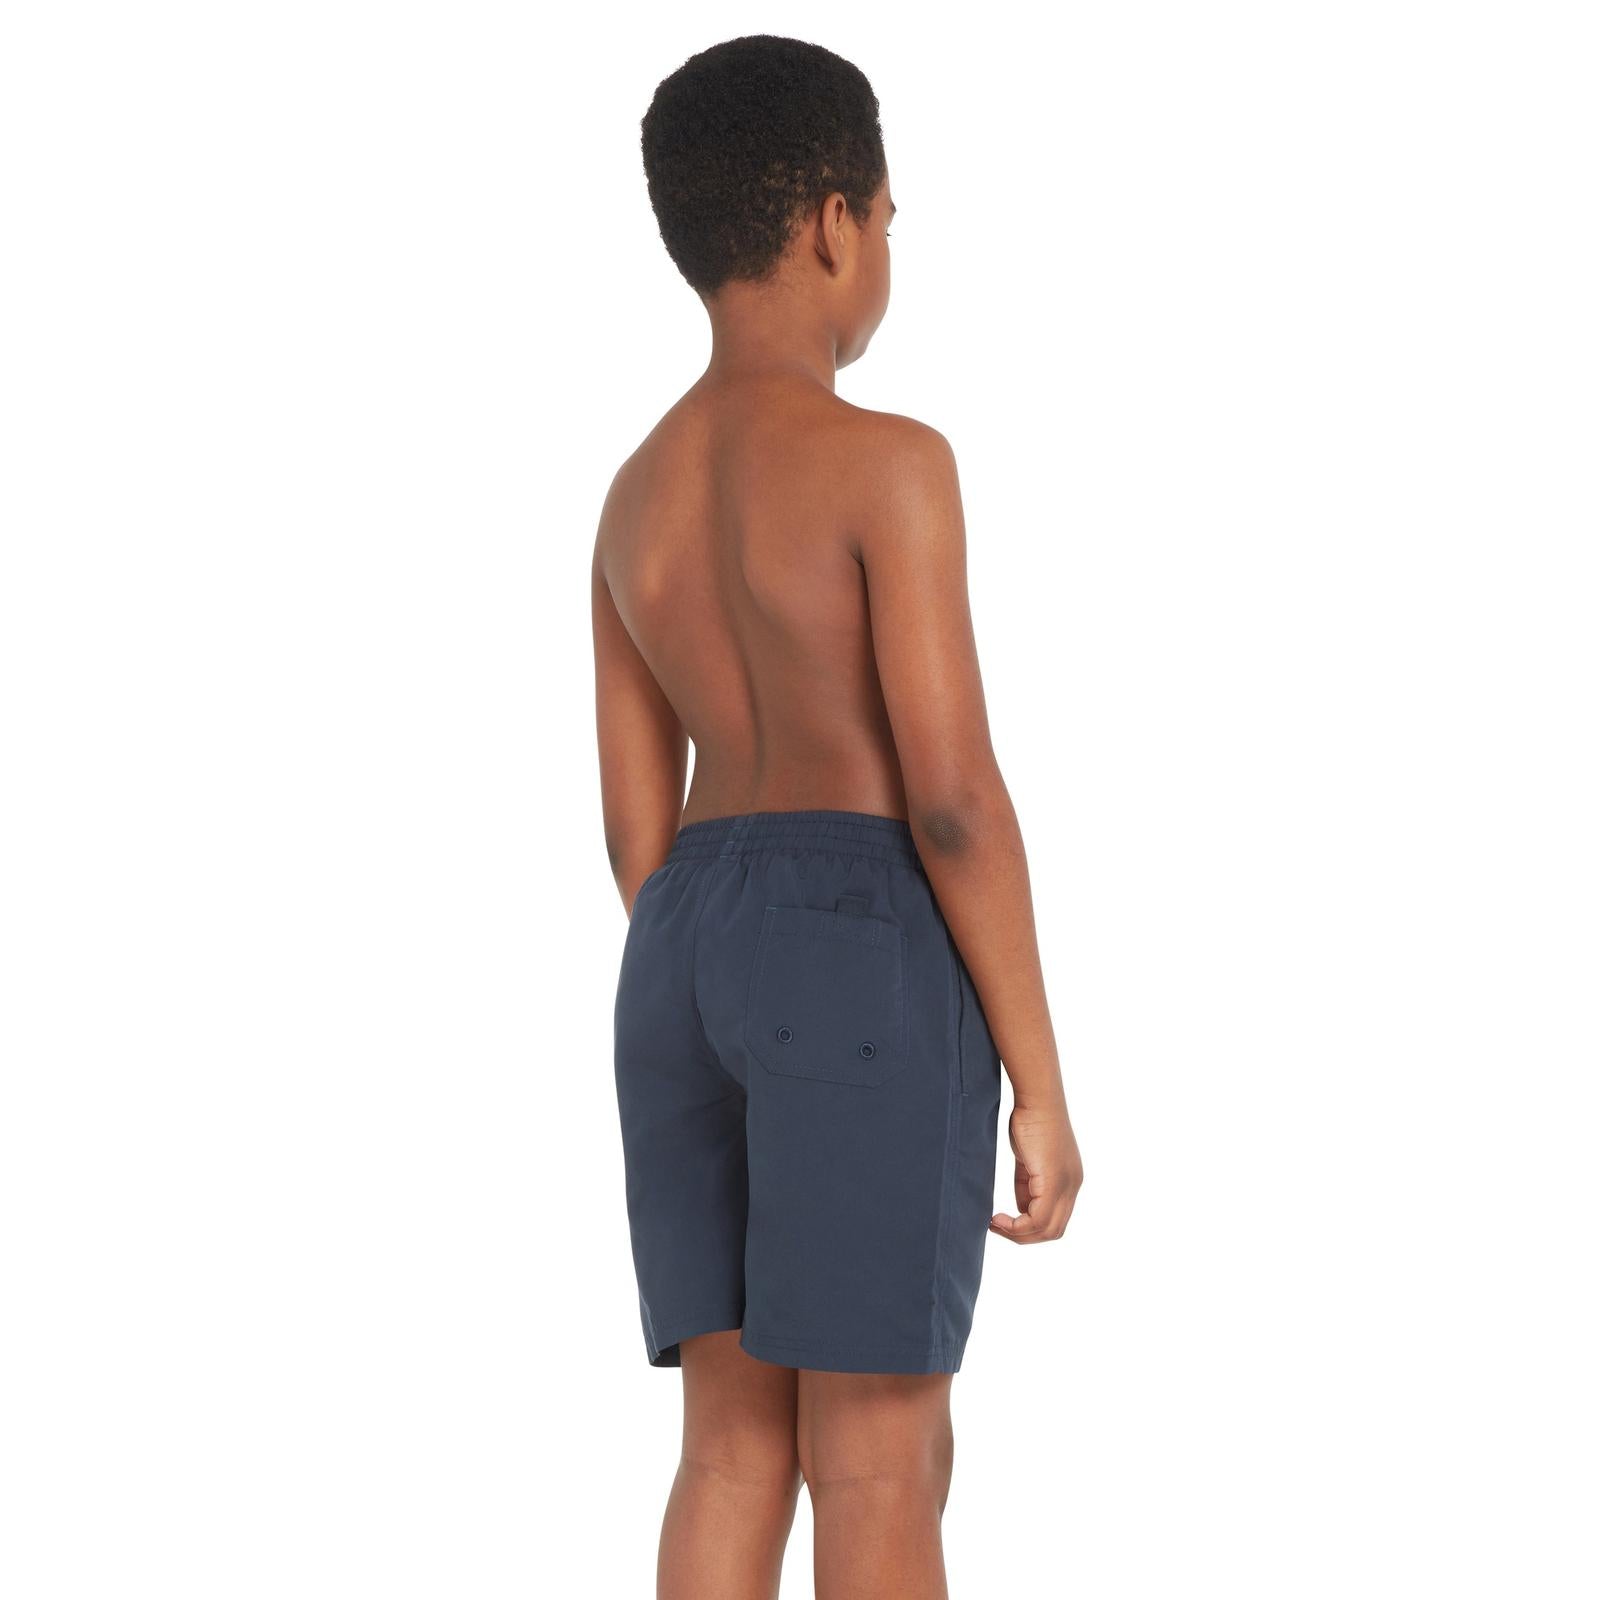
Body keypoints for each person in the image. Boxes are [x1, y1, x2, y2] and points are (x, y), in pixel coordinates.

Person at [592, 34, 1084, 1600]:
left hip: (678, 956)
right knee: (879, 1456)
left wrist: (734, 974)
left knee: (731, 1451)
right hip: (854, 939)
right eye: (886, 215)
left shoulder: (632, 501)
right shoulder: (890, 465)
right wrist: (1039, 1080)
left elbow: (634, 836)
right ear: (832, 222)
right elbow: (951, 800)